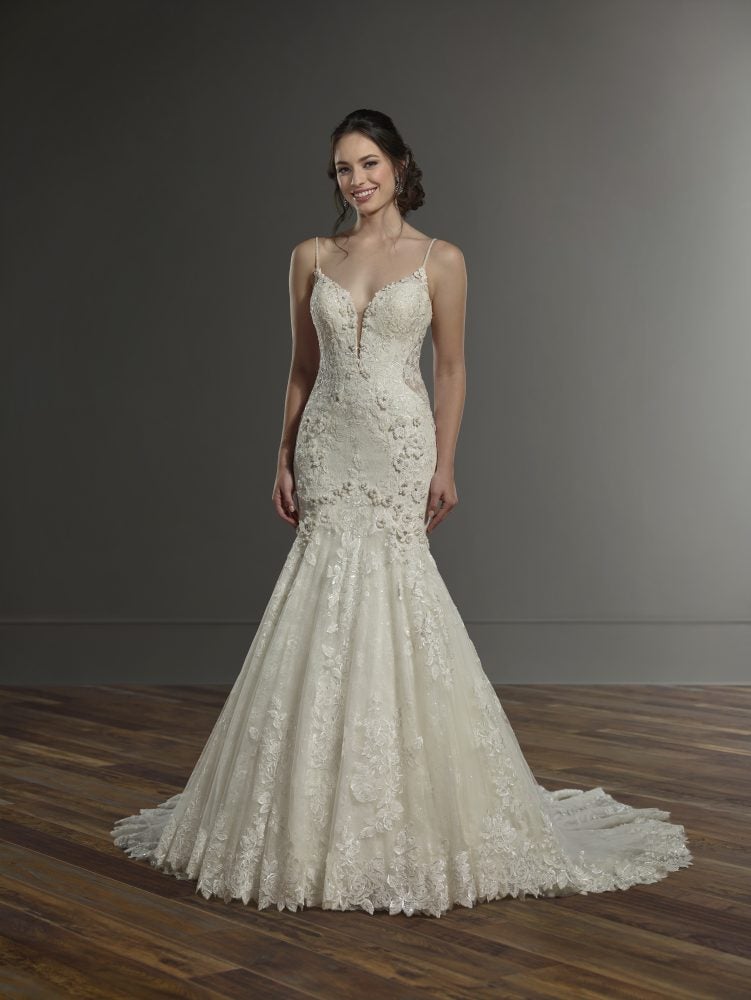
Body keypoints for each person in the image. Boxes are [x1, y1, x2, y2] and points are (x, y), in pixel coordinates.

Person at [111, 108, 693, 917]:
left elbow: (450, 369)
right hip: (328, 443)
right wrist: (281, 453)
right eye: (342, 168)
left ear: (398, 165)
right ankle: (309, 803)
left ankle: (403, 800)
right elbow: (301, 367)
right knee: (319, 600)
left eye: (367, 163)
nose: (355, 180)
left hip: (397, 443)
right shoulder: (311, 256)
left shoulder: (439, 259)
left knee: (395, 594)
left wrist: (445, 461)